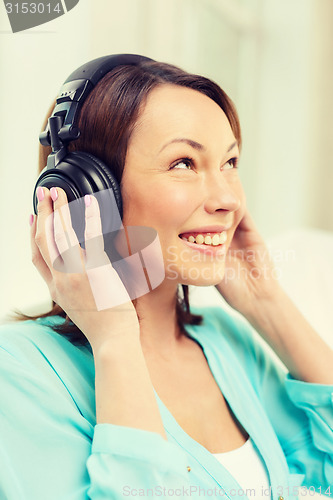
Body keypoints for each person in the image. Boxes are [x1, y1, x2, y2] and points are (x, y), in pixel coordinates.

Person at [0, 54, 332, 500]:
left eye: (230, 163)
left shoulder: (230, 343)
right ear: (90, 193)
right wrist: (116, 341)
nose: (227, 200)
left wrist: (266, 302)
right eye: (184, 163)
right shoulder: (19, 371)